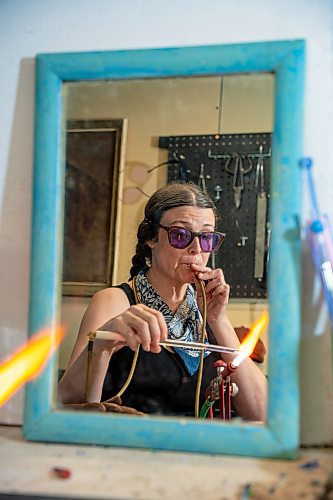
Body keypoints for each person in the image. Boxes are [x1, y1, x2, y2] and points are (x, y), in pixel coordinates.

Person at [58, 181, 267, 421]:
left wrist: (218, 320)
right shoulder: (116, 302)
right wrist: (104, 341)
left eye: (207, 237)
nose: (196, 249)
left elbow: (261, 412)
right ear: (151, 238)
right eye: (180, 235)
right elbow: (67, 398)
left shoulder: (207, 310)